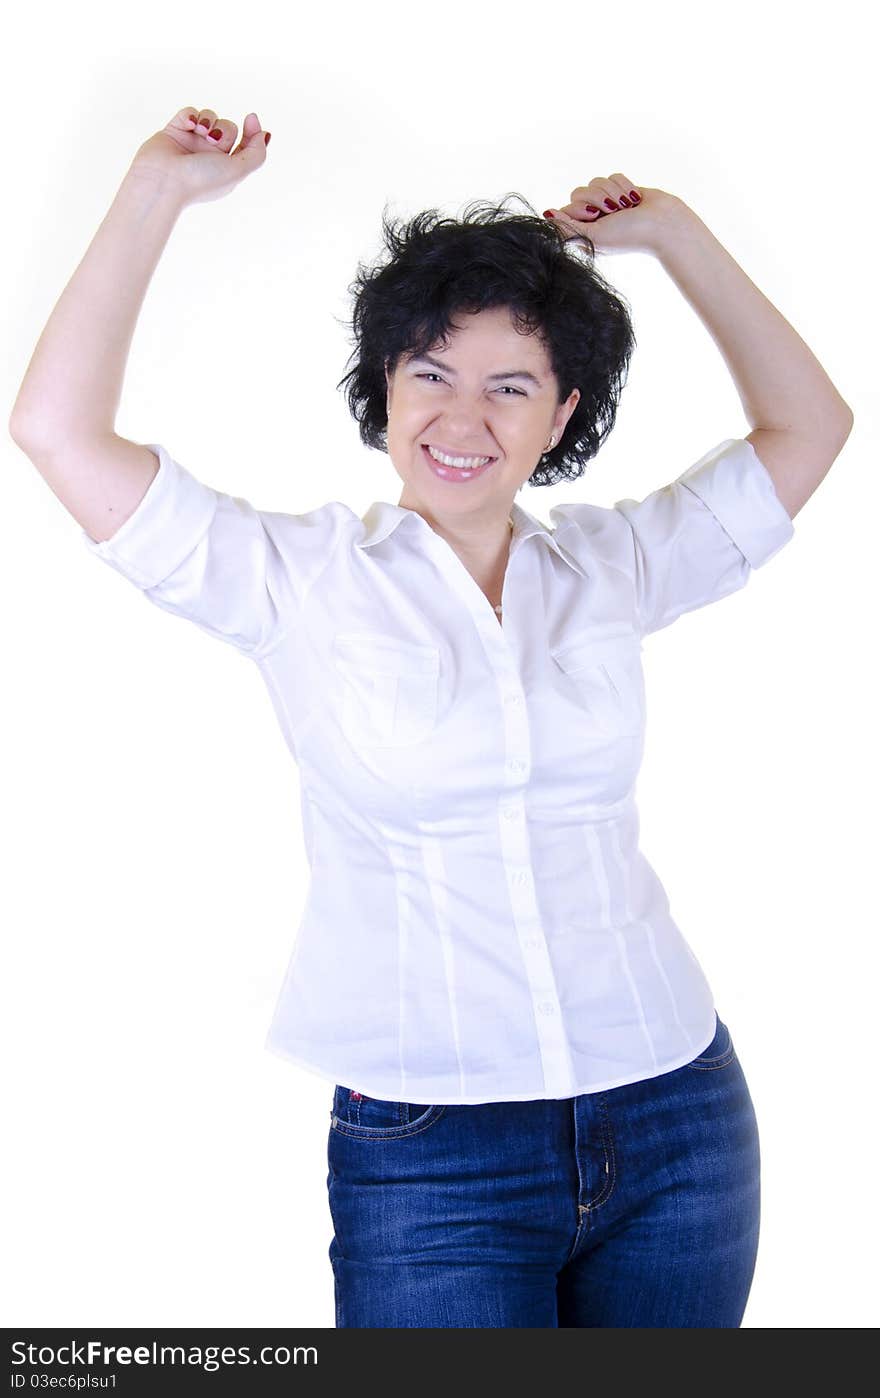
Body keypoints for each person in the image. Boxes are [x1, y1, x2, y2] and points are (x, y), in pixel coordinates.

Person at [9, 105, 853, 1329]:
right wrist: (155, 191)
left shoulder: (611, 571)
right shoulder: (293, 584)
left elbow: (810, 428)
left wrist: (680, 241)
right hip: (432, 1152)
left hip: (677, 1115)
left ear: (561, 416)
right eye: (431, 376)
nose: (464, 421)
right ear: (384, 388)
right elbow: (55, 431)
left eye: (512, 386)